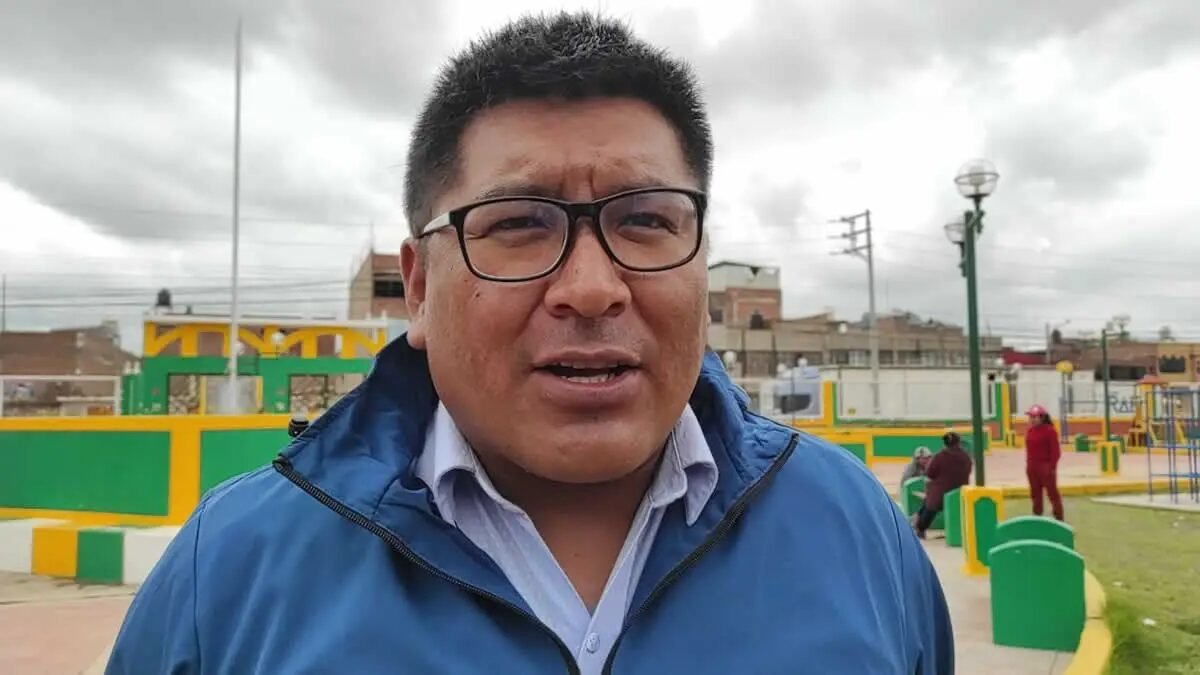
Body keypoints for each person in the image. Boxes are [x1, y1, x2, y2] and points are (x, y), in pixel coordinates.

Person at [106, 12, 952, 674]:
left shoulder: (856, 533)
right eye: (517, 223)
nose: (591, 287)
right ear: (420, 287)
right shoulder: (230, 574)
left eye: (646, 220)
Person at [914, 432, 973, 539]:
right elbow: (969, 470)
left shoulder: (940, 456)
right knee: (930, 498)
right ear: (958, 442)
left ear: (945, 443)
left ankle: (920, 528)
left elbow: (929, 473)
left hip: (940, 495)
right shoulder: (965, 457)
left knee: (929, 501)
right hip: (960, 491)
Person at [1024, 404, 1064, 520]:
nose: (1032, 419)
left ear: (1042, 418)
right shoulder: (1030, 431)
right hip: (1032, 467)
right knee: (1035, 494)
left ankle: (1059, 518)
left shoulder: (1050, 431)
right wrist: (1029, 465)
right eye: (1030, 417)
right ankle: (1037, 518)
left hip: (1045, 466)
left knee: (1052, 494)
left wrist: (1052, 467)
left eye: (1034, 417)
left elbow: (1055, 452)